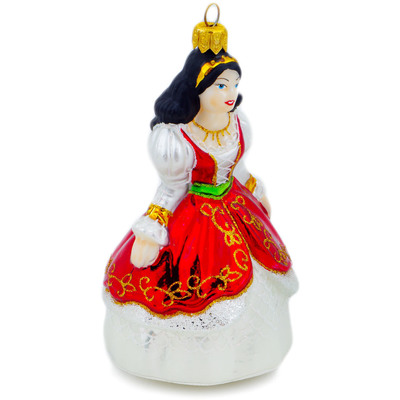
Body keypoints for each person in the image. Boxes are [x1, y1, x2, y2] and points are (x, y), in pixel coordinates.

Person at [103, 11, 298, 385]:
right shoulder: (176, 138)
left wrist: (255, 188)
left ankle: (246, 346)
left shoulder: (238, 124)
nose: (230, 94)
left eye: (234, 84)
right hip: (196, 216)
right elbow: (170, 188)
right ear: (198, 88)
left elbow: (237, 167)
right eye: (221, 86)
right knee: (193, 286)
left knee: (257, 274)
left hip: (235, 206)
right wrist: (152, 227)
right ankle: (182, 354)